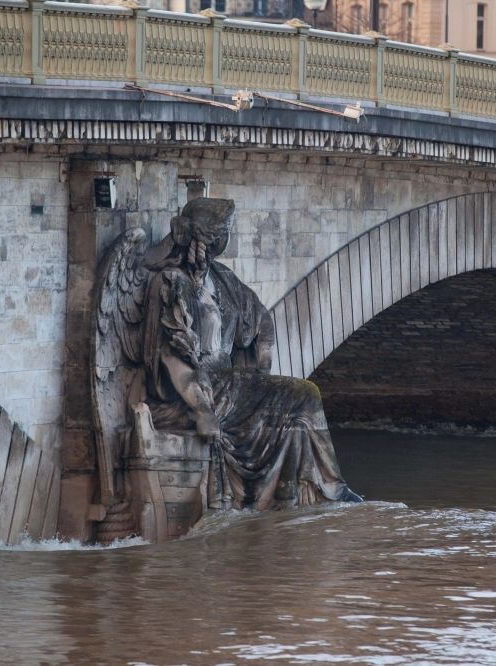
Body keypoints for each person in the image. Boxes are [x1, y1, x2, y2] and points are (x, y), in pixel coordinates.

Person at [141, 197, 362, 509]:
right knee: (306, 395)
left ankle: (303, 494)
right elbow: (170, 357)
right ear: (213, 238)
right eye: (226, 232)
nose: (228, 238)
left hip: (232, 386)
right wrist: (203, 410)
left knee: (297, 415)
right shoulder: (171, 283)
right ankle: (332, 492)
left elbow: (262, 320)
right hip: (191, 395)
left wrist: (263, 366)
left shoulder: (223, 279)